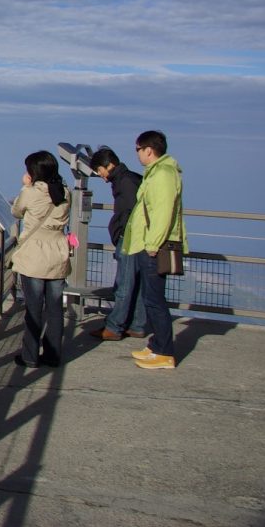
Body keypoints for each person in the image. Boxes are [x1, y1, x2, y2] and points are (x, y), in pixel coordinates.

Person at [127, 130, 188, 370]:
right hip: (148, 243)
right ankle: (156, 346)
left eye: (138, 149)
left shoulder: (162, 174)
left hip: (155, 246)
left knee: (154, 300)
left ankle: (164, 352)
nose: (138, 154)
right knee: (150, 297)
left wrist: (153, 244)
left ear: (148, 149)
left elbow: (162, 211)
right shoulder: (158, 172)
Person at [10, 150, 72, 368]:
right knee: (55, 308)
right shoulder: (65, 191)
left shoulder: (32, 192)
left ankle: (30, 356)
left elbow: (16, 211)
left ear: (33, 172)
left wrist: (26, 187)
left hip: (35, 254)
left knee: (34, 308)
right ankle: (53, 354)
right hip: (57, 252)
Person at [88, 147, 145, 340]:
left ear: (108, 165)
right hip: (136, 238)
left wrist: (118, 231)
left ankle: (114, 327)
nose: (100, 175)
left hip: (130, 238)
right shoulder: (130, 178)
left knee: (124, 284)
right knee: (135, 283)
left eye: (99, 171)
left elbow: (129, 213)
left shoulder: (126, 182)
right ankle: (137, 325)